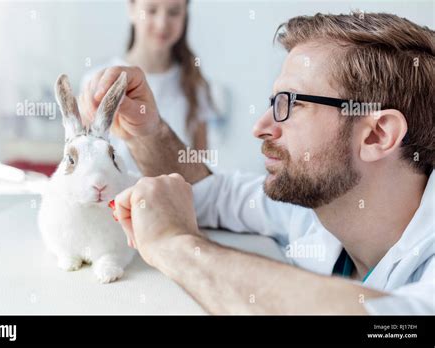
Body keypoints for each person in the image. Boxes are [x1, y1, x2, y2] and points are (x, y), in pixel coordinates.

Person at [78, 12, 434, 314]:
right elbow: (207, 194)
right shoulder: (314, 211)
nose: (260, 126)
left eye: (289, 103)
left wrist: (176, 245)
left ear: (377, 135)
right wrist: (146, 129)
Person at [80, 0, 216, 173]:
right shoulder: (97, 80)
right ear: (131, 9)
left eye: (174, 12)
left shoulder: (195, 86)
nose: (162, 23)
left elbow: (202, 174)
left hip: (172, 198)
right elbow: (83, 162)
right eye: (151, 10)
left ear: (185, 15)